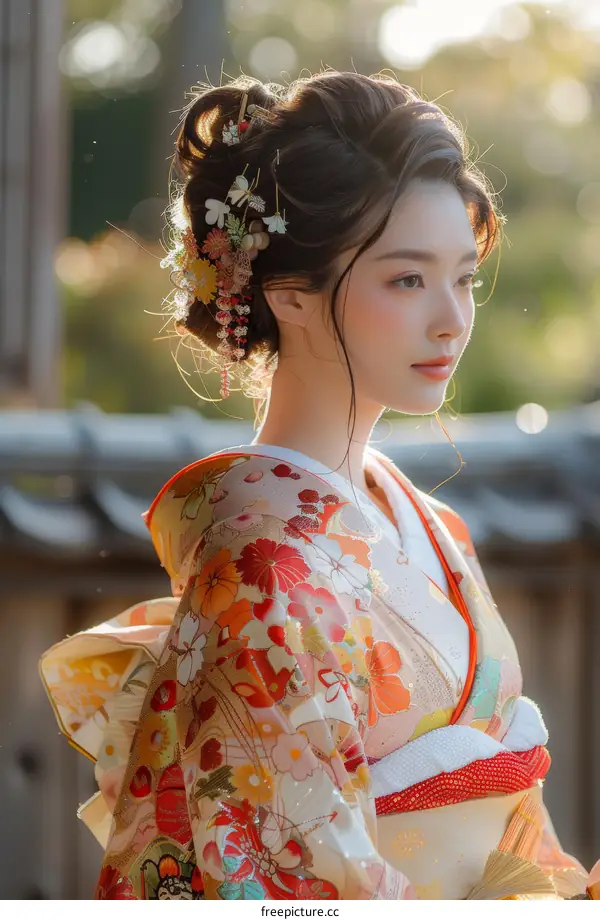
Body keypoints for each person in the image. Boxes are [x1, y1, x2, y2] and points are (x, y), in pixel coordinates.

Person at [39, 70, 598, 900]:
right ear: (290, 295)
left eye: (463, 278)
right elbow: (289, 873)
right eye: (407, 280)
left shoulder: (431, 525)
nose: (450, 317)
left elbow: (518, 834)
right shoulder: (260, 567)